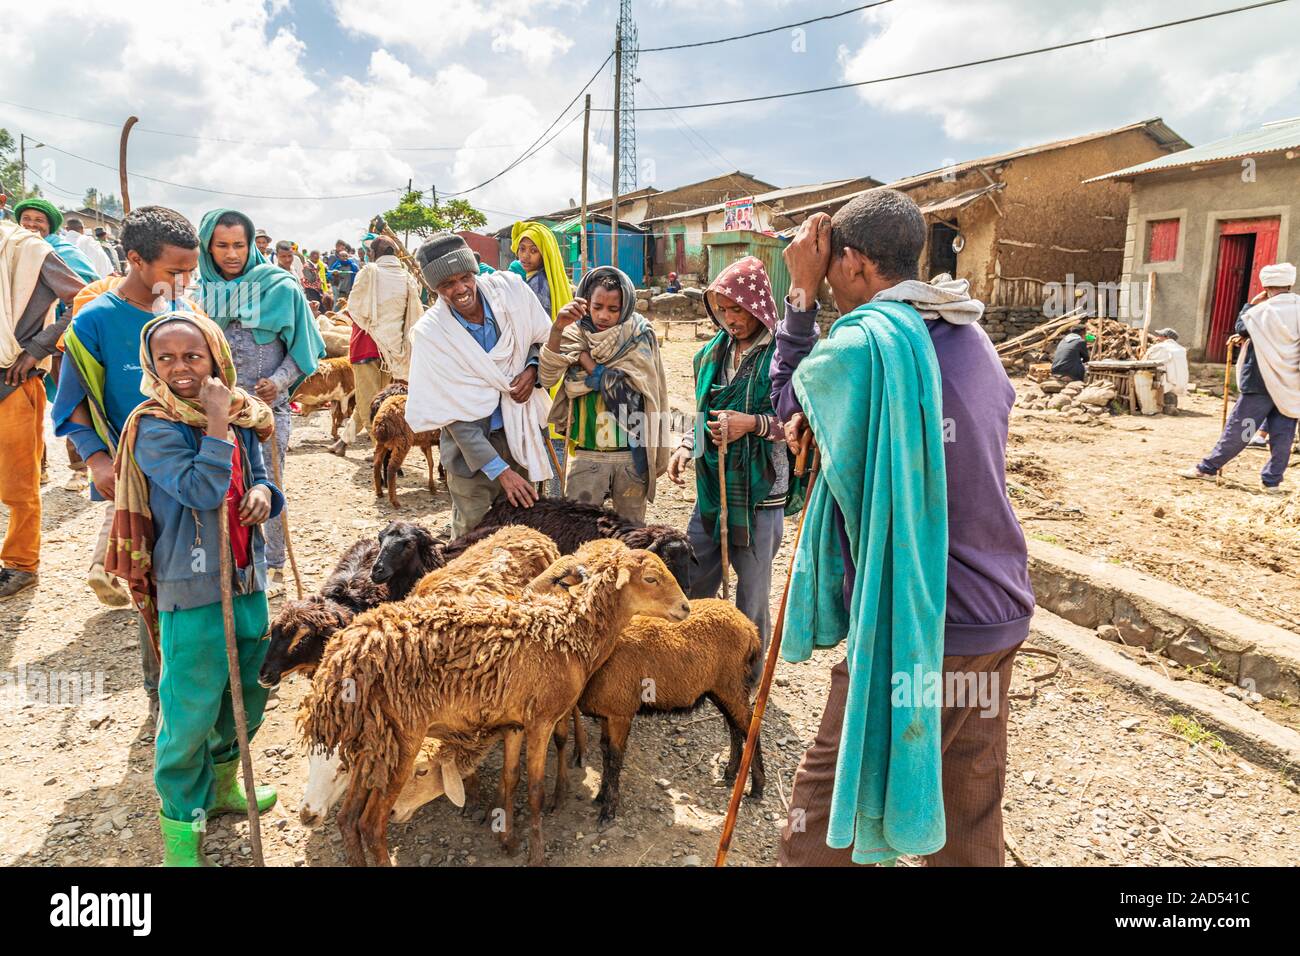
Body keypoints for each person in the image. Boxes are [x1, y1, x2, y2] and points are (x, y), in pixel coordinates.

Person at [771, 194, 1034, 867]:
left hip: (923, 620)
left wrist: (799, 298)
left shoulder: (866, 345)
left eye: (832, 269)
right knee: (969, 793)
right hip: (997, 608)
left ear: (854, 263)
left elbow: (789, 409)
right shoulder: (967, 331)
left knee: (829, 802)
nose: (829, 283)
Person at [105, 311, 282, 866]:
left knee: (251, 687)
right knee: (189, 708)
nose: (180, 369)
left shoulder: (241, 415)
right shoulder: (152, 425)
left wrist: (263, 495)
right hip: (190, 584)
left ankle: (225, 784)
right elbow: (201, 490)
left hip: (245, 575)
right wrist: (213, 423)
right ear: (152, 366)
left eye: (193, 357)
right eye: (167, 359)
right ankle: (183, 827)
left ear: (215, 360)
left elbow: (262, 476)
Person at [53, 205, 203, 710]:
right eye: (173, 271)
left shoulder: (182, 316)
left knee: (196, 568)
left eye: (190, 271)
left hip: (195, 471)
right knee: (152, 577)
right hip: (136, 477)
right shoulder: (93, 322)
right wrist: (97, 459)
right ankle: (160, 690)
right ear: (135, 259)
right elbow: (71, 402)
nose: (184, 280)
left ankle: (201, 678)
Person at [665, 256, 801, 678]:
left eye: (737, 309)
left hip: (761, 494)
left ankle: (747, 673)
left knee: (752, 591)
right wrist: (688, 445)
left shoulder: (784, 356)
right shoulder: (708, 355)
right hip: (713, 484)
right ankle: (689, 663)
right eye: (722, 310)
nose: (730, 319)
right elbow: (703, 410)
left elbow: (801, 424)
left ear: (757, 306)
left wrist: (753, 424)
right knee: (695, 575)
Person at [198, 210, 324, 596]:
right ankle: (227, 562)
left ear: (251, 244)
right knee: (221, 484)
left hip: (268, 411)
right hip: (215, 412)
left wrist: (280, 381)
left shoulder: (281, 288)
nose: (231, 254)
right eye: (221, 246)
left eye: (239, 244)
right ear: (208, 248)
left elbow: (306, 348)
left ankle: (273, 566)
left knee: (267, 482)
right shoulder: (200, 294)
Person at [407, 233, 551, 537]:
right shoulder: (432, 335)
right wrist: (501, 472)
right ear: (435, 289)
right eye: (447, 285)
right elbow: (454, 417)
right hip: (471, 459)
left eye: (465, 277)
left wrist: (533, 368)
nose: (460, 289)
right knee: (472, 540)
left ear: (475, 271)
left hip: (518, 437)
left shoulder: (510, 293)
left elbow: (539, 338)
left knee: (520, 533)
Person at [539, 266, 670, 522]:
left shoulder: (639, 336)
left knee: (630, 535)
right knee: (579, 534)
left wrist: (589, 365)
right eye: (596, 306)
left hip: (630, 455)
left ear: (628, 306)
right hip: (587, 451)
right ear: (585, 302)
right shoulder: (573, 334)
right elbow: (547, 377)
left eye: (613, 309)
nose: (603, 316)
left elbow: (637, 392)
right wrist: (557, 329)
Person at [0, 215, 85, 599]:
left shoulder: (30, 249)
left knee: (19, 483)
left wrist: (37, 349)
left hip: (11, 383)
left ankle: (20, 564)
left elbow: (85, 299)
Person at [1179, 263, 1299, 492]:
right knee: (1283, 434)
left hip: (1259, 383)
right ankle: (1272, 482)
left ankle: (1207, 468)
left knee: (1242, 429)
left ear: (1266, 287)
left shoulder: (1261, 310)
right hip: (1291, 385)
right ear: (1289, 284)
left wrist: (1251, 303)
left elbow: (1242, 327)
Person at [334, 236, 421, 455]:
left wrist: (372, 325)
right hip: (392, 351)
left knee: (367, 403)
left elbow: (355, 307)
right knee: (378, 399)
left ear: (373, 254)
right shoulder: (406, 277)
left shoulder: (370, 272)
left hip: (365, 346)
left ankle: (383, 451)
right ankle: (343, 442)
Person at [511, 221, 574, 495]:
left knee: (547, 431)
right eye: (522, 249)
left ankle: (554, 497)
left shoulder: (537, 285)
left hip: (540, 368)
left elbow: (537, 333)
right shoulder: (540, 279)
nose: (525, 256)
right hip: (548, 364)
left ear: (544, 254)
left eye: (533, 251)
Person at [1145, 327, 1188, 412]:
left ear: (1166, 337)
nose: (1157, 338)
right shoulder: (1181, 349)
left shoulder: (1161, 347)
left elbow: (1148, 359)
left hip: (1166, 381)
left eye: (1160, 336)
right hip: (1180, 381)